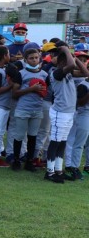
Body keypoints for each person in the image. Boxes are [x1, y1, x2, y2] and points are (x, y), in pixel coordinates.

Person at [44, 43, 85, 182]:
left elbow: (86, 73)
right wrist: (67, 50)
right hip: (60, 113)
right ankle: (49, 172)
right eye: (68, 60)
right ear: (62, 62)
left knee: (62, 142)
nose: (70, 62)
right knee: (55, 142)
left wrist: (75, 57)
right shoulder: (56, 73)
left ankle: (58, 170)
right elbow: (71, 65)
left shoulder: (68, 73)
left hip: (68, 112)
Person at [64, 51, 89, 180]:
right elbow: (80, 103)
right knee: (78, 142)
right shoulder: (83, 85)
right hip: (83, 114)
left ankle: (86, 166)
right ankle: (73, 167)